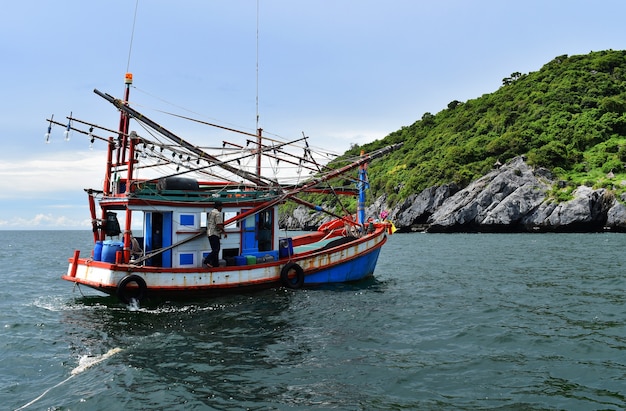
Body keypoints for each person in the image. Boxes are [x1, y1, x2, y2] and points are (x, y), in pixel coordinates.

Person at [203, 201, 226, 268]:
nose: (222, 208)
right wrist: (224, 231)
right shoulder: (217, 213)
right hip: (214, 233)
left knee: (215, 249)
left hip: (209, 232)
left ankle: (215, 264)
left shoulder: (211, 212)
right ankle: (207, 261)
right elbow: (218, 225)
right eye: (221, 207)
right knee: (216, 249)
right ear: (219, 207)